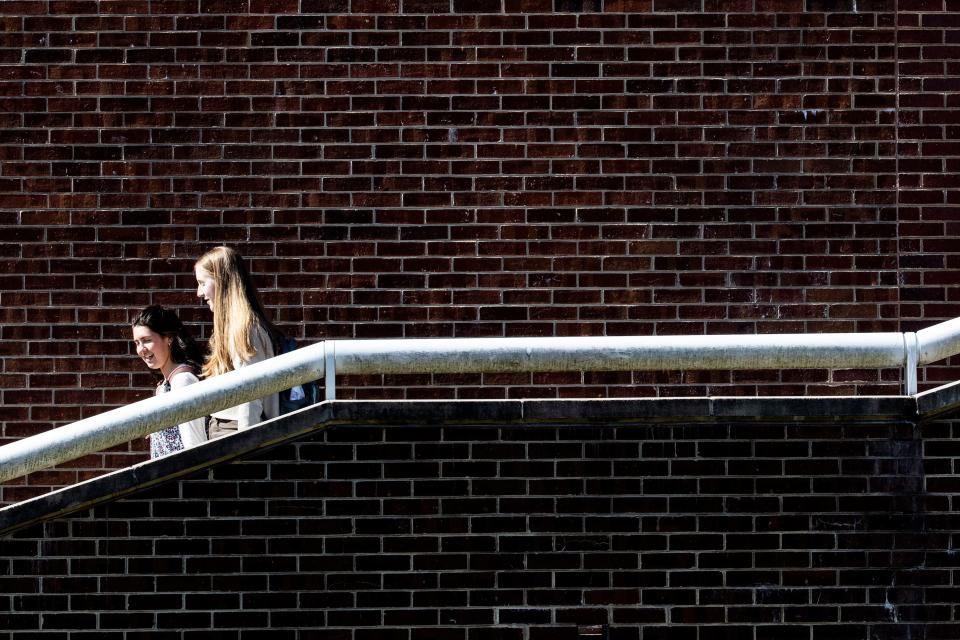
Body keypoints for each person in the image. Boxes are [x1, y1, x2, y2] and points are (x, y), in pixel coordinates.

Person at [194, 246, 281, 438]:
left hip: (233, 430)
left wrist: (244, 443)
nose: (199, 293)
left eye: (202, 283)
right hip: (227, 427)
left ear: (221, 281)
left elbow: (251, 393)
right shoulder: (238, 327)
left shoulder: (245, 329)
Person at [131, 305, 208, 459]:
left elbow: (194, 445)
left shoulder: (183, 382)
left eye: (146, 341)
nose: (141, 349)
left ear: (169, 338)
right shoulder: (165, 385)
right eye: (137, 343)